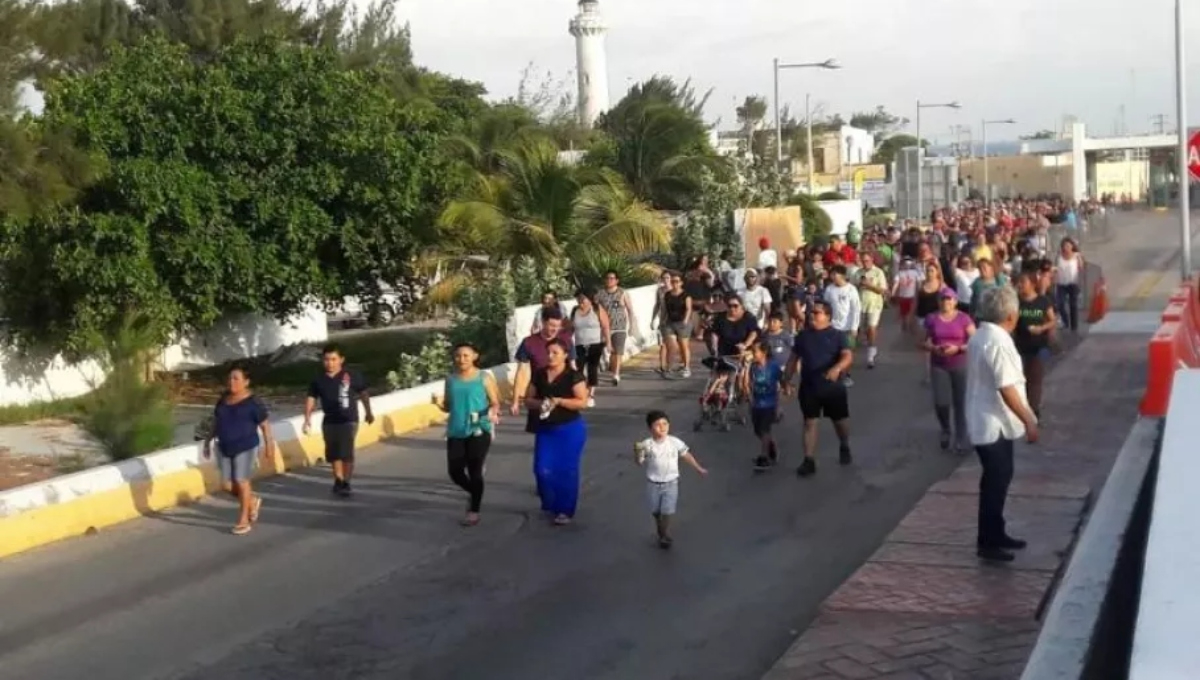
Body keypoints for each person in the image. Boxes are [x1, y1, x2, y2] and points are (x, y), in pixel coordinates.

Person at [965, 286, 1040, 563]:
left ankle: (996, 532)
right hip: (992, 422)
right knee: (997, 482)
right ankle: (988, 541)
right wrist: (1029, 419)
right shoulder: (997, 341)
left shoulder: (982, 335)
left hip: (988, 419)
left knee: (996, 480)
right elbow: (1006, 386)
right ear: (1010, 314)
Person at [432, 343, 501, 527]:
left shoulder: (483, 378)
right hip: (456, 430)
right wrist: (438, 404)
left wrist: (492, 413)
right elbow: (448, 406)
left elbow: (495, 402)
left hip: (479, 429)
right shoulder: (450, 380)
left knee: (474, 470)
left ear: (475, 356)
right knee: (454, 471)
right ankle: (474, 492)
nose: (461, 359)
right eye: (458, 356)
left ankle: (474, 510)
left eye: (465, 355)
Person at [202, 365, 274, 535]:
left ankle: (243, 519)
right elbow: (216, 422)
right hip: (225, 446)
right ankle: (251, 500)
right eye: (230, 378)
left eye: (236, 378)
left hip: (246, 446)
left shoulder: (253, 402)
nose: (231, 382)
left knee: (242, 481)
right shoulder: (223, 399)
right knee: (226, 485)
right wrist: (207, 440)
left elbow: (265, 425)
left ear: (246, 382)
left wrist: (269, 446)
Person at [785, 300, 853, 477]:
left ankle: (844, 443)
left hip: (832, 388)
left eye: (817, 313)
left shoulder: (838, 335)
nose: (812, 316)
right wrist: (786, 379)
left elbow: (847, 356)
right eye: (811, 313)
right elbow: (793, 358)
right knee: (809, 422)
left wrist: (837, 368)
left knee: (839, 422)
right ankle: (809, 460)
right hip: (809, 386)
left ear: (828, 316)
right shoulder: (803, 336)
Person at [525, 339, 589, 526]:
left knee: (566, 470)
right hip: (546, 429)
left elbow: (582, 402)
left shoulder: (573, 376)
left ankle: (565, 509)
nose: (551, 356)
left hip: (570, 429)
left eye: (555, 352)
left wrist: (560, 401)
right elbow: (528, 399)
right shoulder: (539, 374)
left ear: (565, 355)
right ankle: (550, 503)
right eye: (549, 352)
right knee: (542, 469)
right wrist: (541, 403)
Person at [303, 344, 374, 498]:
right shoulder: (318, 380)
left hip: (348, 420)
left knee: (346, 451)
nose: (330, 363)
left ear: (341, 360)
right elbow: (311, 398)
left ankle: (346, 482)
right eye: (327, 359)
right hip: (329, 420)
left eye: (334, 359)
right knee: (333, 452)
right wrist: (307, 417)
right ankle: (338, 480)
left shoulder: (350, 376)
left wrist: (369, 412)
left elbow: (363, 394)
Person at [634, 411, 708, 549]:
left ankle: (665, 534)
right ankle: (660, 528)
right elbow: (639, 462)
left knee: (667, 511)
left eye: (665, 424)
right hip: (653, 484)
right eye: (657, 425)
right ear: (650, 428)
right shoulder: (647, 444)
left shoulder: (674, 442)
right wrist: (638, 453)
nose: (662, 427)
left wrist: (698, 468)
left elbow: (686, 455)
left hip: (671, 483)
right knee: (656, 511)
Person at [923, 288, 975, 451]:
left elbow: (975, 341)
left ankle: (961, 438)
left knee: (960, 403)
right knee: (941, 402)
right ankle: (945, 428)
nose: (946, 302)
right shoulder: (932, 319)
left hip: (960, 363)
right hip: (939, 364)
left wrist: (959, 348)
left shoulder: (964, 319)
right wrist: (933, 348)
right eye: (943, 299)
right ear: (939, 301)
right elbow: (924, 341)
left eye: (949, 299)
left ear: (955, 301)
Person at [1014, 271, 1056, 418]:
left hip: (1039, 346)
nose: (1020, 285)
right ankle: (1024, 407)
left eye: (1023, 282)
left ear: (1032, 284)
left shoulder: (1043, 301)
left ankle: (1034, 409)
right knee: (1022, 378)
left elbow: (1052, 320)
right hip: (1021, 345)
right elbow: (1012, 323)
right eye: (1019, 282)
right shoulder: (1017, 302)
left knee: (1036, 378)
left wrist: (1042, 328)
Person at [744, 340, 784, 471]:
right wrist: (750, 400)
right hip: (756, 403)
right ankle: (770, 445)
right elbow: (747, 384)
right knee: (758, 431)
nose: (753, 354)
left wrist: (779, 406)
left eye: (755, 351)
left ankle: (764, 456)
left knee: (765, 429)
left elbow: (781, 385)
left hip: (769, 404)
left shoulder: (773, 367)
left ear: (764, 352)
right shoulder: (753, 367)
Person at [594, 271, 637, 385]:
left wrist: (632, 325)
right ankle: (611, 367)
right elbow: (595, 309)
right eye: (607, 278)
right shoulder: (600, 294)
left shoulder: (623, 293)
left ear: (617, 280)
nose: (609, 280)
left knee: (617, 352)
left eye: (612, 278)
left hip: (620, 327)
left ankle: (616, 375)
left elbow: (630, 309)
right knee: (610, 351)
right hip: (604, 327)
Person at [571, 290, 611, 407]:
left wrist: (608, 343)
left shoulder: (597, 309)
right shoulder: (575, 311)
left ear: (589, 299)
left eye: (582, 299)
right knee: (579, 369)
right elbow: (570, 328)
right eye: (578, 299)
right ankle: (581, 391)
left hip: (595, 344)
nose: (580, 302)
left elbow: (606, 326)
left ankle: (591, 394)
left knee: (592, 369)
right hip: (579, 344)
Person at [824, 265, 861, 387]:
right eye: (832, 274)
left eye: (835, 274)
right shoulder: (829, 289)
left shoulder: (851, 290)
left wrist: (854, 327)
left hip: (848, 327)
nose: (832, 277)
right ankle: (834, 373)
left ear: (843, 276)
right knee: (833, 352)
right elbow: (826, 307)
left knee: (847, 353)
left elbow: (856, 309)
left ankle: (846, 375)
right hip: (833, 326)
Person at [854, 253, 888, 369]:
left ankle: (870, 355)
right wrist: (859, 284)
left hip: (875, 304)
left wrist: (870, 285)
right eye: (863, 261)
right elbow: (853, 288)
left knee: (872, 327)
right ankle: (866, 342)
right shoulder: (858, 273)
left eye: (867, 260)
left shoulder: (878, 272)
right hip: (861, 304)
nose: (865, 263)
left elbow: (882, 291)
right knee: (862, 329)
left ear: (872, 260)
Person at [655, 272, 693, 378]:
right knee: (670, 346)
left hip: (682, 323)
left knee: (683, 346)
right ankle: (669, 369)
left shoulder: (686, 295)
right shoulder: (667, 294)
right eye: (672, 281)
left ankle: (686, 367)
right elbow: (665, 309)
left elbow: (689, 309)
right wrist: (661, 321)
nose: (674, 283)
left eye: (676, 281)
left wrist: (685, 320)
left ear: (681, 283)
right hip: (669, 323)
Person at [1054, 238, 1084, 332]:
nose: (1066, 247)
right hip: (1061, 284)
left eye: (1068, 245)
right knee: (1060, 304)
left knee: (1073, 305)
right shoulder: (1059, 256)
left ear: (1072, 246)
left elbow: (1081, 268)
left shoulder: (1076, 256)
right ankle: (1065, 321)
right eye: (1064, 245)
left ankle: (1074, 327)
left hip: (1073, 284)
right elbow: (1055, 268)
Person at [891, 257, 921, 334]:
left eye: (909, 263)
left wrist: (919, 293)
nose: (907, 265)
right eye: (905, 263)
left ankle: (911, 326)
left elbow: (918, 284)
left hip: (912, 297)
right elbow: (896, 284)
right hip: (903, 297)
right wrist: (893, 293)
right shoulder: (900, 273)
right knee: (904, 313)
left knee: (912, 312)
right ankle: (905, 324)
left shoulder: (915, 273)